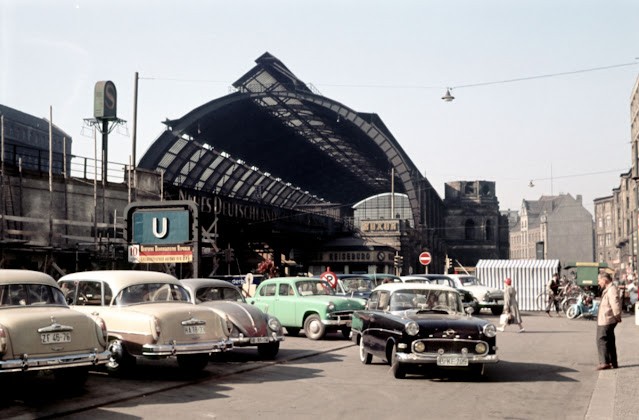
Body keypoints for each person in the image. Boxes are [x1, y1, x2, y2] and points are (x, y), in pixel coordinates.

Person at [595, 272, 622, 370]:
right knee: (610, 340)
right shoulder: (610, 289)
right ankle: (613, 362)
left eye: (599, 280)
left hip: (607, 319)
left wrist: (617, 316)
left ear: (605, 280)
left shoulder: (611, 290)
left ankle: (605, 362)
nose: (599, 282)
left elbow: (615, 304)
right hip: (607, 319)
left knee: (601, 339)